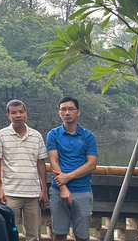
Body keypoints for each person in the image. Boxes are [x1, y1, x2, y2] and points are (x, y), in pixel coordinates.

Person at [0, 100, 48, 241]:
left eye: (21, 112)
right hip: (10, 193)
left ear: (26, 113)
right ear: (8, 115)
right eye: (14, 112)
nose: (18, 115)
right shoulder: (1, 135)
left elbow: (41, 163)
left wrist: (44, 190)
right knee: (7, 233)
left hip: (33, 194)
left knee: (33, 235)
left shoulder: (36, 136)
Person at [46, 97, 98, 241]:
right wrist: (63, 187)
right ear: (59, 112)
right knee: (59, 233)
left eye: (71, 109)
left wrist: (68, 177)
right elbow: (53, 161)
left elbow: (91, 164)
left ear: (78, 112)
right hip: (58, 190)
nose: (67, 112)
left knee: (82, 235)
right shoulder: (53, 134)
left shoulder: (88, 136)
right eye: (63, 109)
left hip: (82, 190)